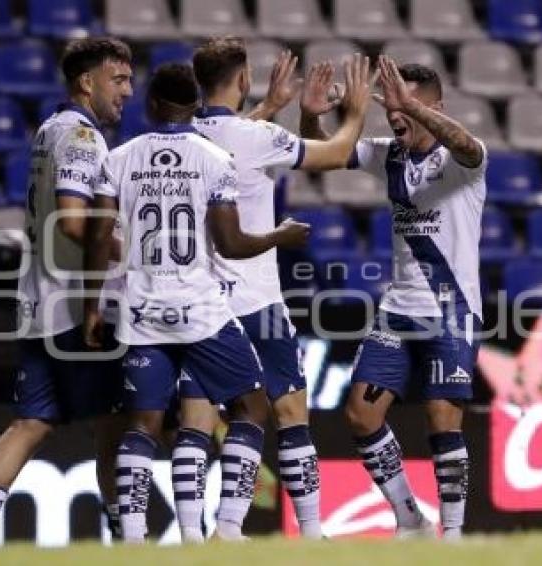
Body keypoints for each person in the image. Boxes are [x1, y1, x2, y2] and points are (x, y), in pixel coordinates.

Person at [81, 62, 311, 544]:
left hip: (142, 311)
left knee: (142, 424)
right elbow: (230, 244)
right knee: (251, 407)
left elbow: (99, 236)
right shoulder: (213, 158)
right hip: (201, 311)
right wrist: (278, 235)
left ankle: (135, 537)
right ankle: (227, 526)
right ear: (192, 108)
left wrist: (91, 305)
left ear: (150, 105)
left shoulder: (118, 159)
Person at [185, 37, 374, 540]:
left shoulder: (185, 134)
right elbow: (335, 154)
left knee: (213, 416)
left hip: (202, 303)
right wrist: (354, 112)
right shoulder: (258, 136)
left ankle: (220, 527)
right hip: (258, 299)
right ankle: (310, 532)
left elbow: (234, 135)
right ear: (243, 78)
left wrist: (272, 107)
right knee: (289, 411)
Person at [0, 37, 134, 545]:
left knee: (29, 423)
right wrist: (136, 252)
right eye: (118, 80)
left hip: (37, 302)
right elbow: (78, 224)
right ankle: (128, 540)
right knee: (114, 428)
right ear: (86, 81)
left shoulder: (48, 131)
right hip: (76, 308)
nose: (128, 91)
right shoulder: (80, 136)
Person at [301, 56, 487, 540]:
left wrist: (416, 109)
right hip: (398, 311)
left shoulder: (463, 162)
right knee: (360, 416)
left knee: (442, 419)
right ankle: (409, 518)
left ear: (435, 108)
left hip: (451, 310)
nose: (396, 114)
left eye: (409, 106)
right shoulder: (389, 155)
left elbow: (467, 144)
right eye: (393, 106)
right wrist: (311, 115)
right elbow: (322, 152)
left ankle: (453, 536)